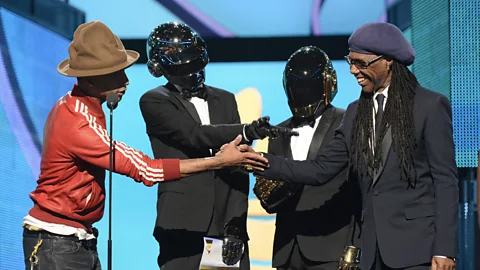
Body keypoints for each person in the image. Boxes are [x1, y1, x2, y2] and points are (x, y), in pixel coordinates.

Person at [22, 21, 267, 270]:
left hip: (76, 239)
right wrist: (220, 161)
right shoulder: (78, 122)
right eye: (116, 73)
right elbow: (145, 169)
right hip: (58, 243)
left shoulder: (82, 108)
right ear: (92, 79)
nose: (126, 80)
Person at [253, 22, 458, 270]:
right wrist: (256, 158)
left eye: (361, 63)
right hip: (371, 253)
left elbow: (445, 181)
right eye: (350, 61)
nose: (352, 70)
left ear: (388, 61)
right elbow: (320, 169)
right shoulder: (355, 112)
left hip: (417, 250)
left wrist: (445, 248)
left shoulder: (430, 106)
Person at [139, 22, 283, 270]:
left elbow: (238, 166)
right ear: (159, 69)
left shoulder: (225, 99)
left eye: (198, 65)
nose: (195, 73)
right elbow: (194, 135)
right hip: (182, 223)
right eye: (186, 68)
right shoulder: (153, 101)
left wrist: (236, 225)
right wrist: (247, 131)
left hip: (227, 224)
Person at [253, 46, 361, 270]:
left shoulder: (347, 121)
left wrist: (355, 247)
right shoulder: (277, 132)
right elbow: (270, 199)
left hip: (331, 250)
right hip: (287, 251)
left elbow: (361, 189)